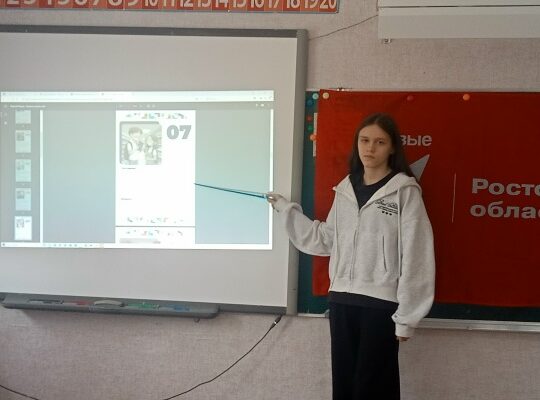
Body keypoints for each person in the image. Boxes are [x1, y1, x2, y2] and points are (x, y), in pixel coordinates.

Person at [267, 112, 435, 400]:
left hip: (380, 304)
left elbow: (417, 255)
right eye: (364, 140)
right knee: (344, 386)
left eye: (380, 142)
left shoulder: (404, 192)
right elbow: (326, 239)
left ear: (392, 148)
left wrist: (407, 317)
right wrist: (286, 210)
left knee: (374, 388)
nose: (370, 148)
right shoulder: (345, 189)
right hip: (342, 300)